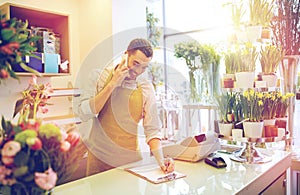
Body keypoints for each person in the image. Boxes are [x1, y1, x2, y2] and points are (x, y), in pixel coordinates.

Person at [76, 38, 175, 176]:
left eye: (144, 67)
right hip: (99, 160)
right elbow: (84, 113)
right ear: (126, 55)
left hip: (130, 163)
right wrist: (112, 84)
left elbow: (152, 130)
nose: (138, 71)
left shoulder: (145, 88)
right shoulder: (101, 76)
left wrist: (161, 160)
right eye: (136, 63)